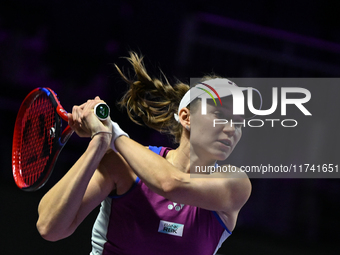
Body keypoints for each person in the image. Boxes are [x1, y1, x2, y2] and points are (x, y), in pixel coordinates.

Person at [36, 52, 252, 255]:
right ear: (186, 118)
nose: (232, 129)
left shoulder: (235, 184)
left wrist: (114, 133)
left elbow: (170, 184)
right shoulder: (123, 165)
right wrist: (99, 141)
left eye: (239, 122)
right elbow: (50, 228)